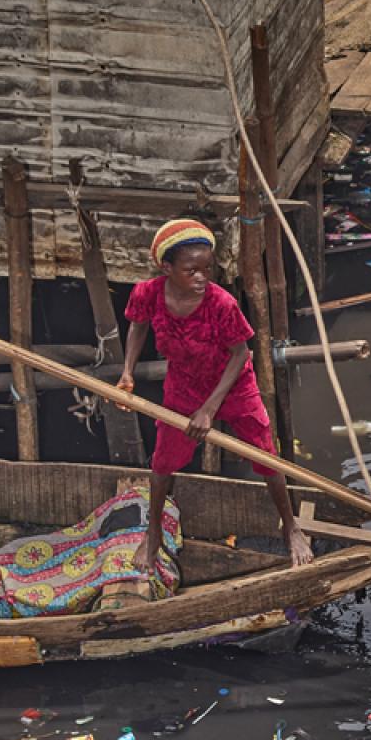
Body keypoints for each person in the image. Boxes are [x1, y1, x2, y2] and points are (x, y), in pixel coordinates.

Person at [117, 217, 313, 568]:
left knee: (266, 455)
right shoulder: (148, 294)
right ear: (167, 267)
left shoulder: (221, 304)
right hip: (184, 385)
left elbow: (241, 355)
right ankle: (153, 533)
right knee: (162, 464)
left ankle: (291, 527)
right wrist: (127, 373)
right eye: (191, 271)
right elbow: (138, 326)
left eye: (207, 269)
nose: (201, 278)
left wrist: (209, 409)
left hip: (233, 385)